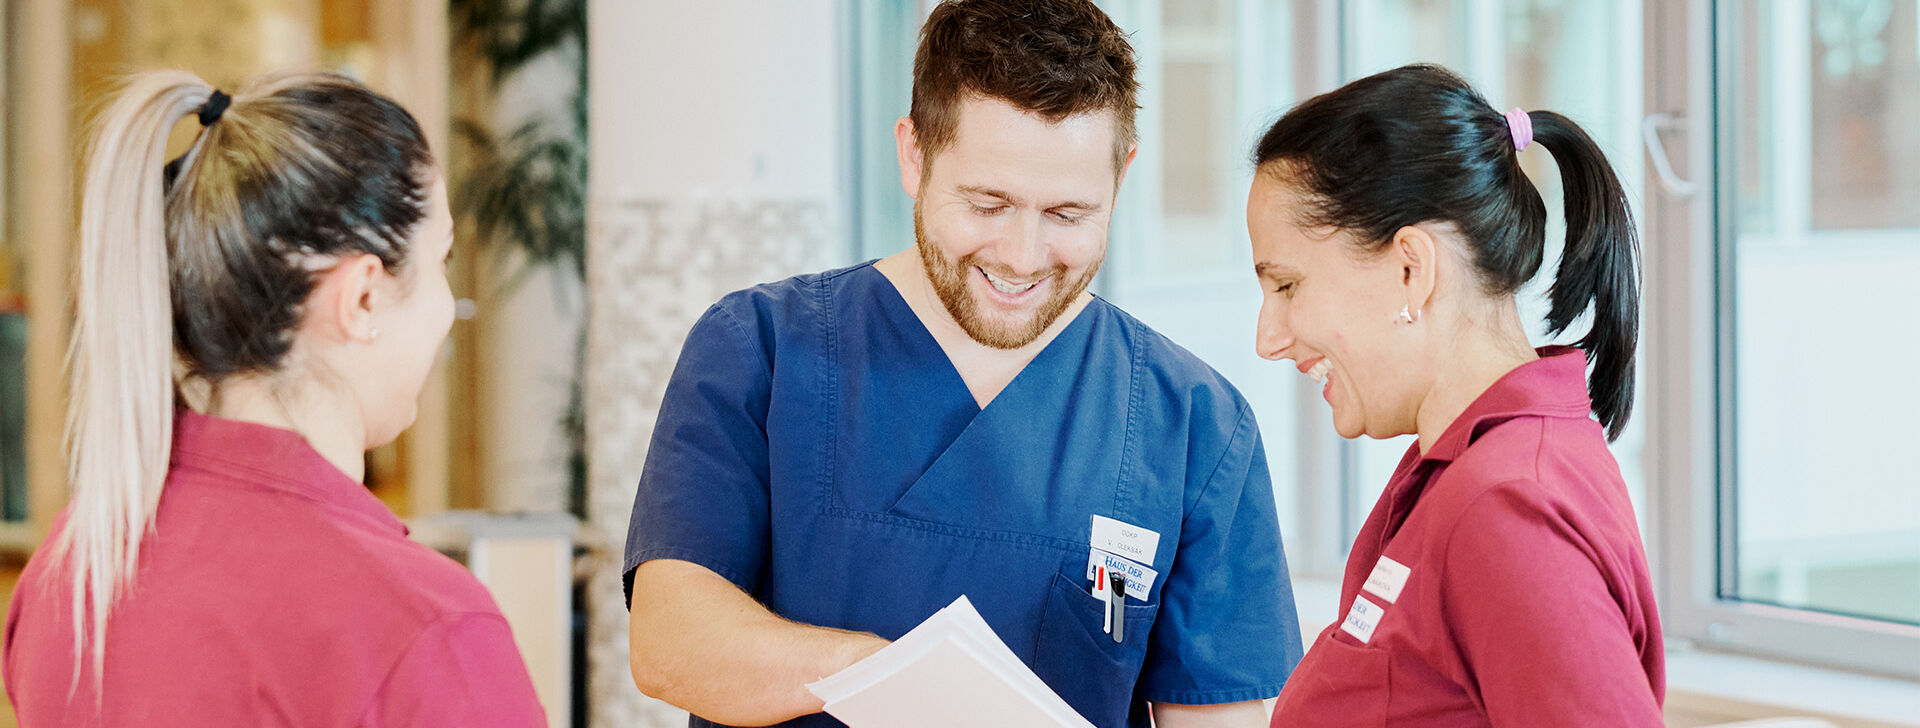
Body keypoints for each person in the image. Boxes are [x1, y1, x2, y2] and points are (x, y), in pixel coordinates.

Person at [623, 1, 1303, 726]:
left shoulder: (1194, 423)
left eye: (1068, 214)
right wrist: (899, 682)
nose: (1022, 255)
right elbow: (671, 643)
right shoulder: (760, 350)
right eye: (987, 204)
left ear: (1123, 173)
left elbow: (1214, 714)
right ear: (913, 154)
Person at [2, 70, 546, 726]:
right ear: (363, 297)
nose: (446, 307)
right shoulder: (423, 627)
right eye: (443, 261)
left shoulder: (74, 570)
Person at [1246, 64, 1662, 726]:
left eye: (1288, 286)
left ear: (1413, 268)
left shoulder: (1507, 506)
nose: (1269, 338)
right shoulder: (1464, 471)